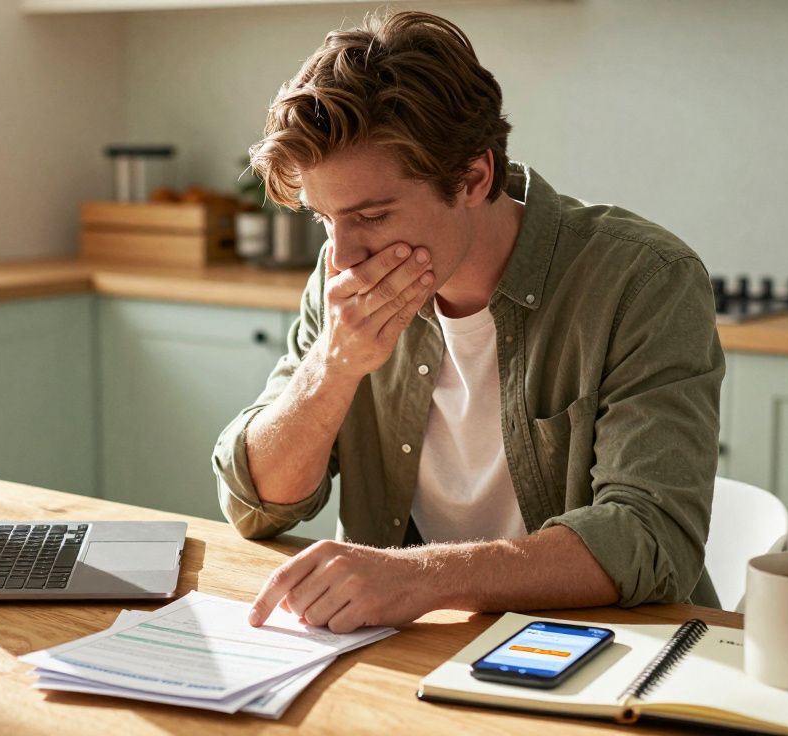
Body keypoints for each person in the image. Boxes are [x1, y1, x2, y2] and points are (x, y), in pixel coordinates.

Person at [212, 10, 723, 634]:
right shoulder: (341, 275)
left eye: (371, 217)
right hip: (410, 652)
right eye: (324, 219)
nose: (341, 256)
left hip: (614, 654)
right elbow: (254, 504)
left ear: (475, 177)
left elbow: (650, 538)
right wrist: (332, 367)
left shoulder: (642, 280)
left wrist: (418, 580)